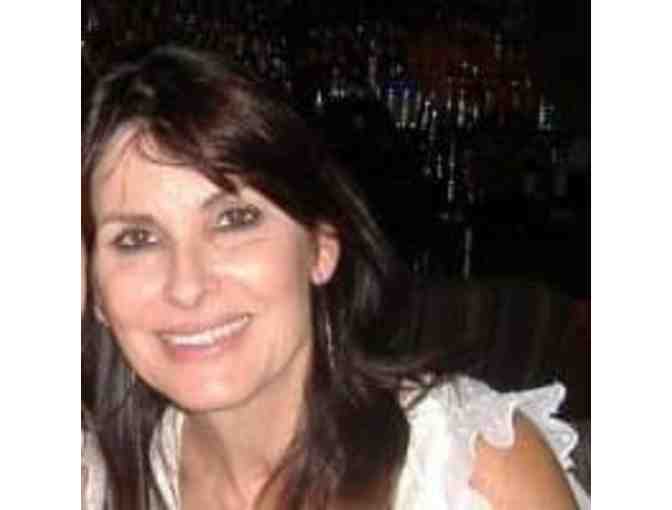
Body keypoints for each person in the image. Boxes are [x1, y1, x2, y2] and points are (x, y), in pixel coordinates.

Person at [81, 46, 588, 510]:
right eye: (136, 239)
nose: (187, 286)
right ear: (94, 288)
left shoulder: (469, 470)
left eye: (234, 220)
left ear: (321, 247)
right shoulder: (102, 482)